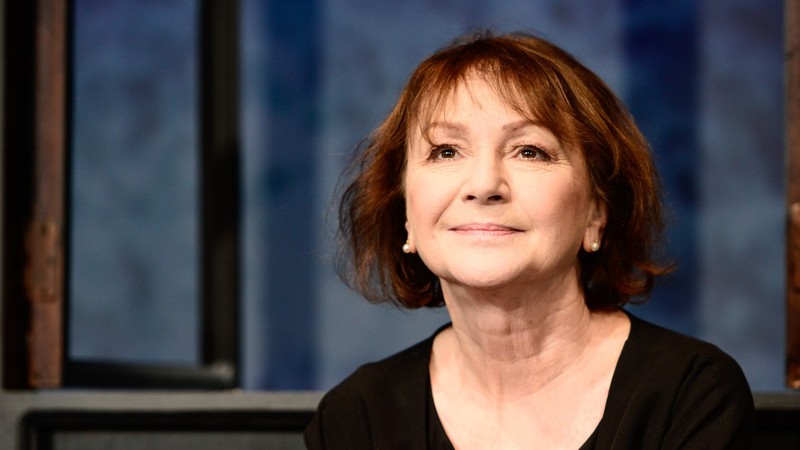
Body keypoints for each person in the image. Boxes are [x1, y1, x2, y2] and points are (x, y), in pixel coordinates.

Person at [305, 31, 754, 449]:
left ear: (596, 212)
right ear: (406, 214)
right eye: (446, 151)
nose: (484, 185)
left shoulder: (689, 394)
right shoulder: (357, 418)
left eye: (529, 151)